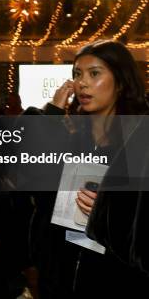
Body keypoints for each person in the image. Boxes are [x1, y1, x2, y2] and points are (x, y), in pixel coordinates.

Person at [27, 40, 149, 298]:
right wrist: (53, 114)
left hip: (116, 281)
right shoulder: (73, 138)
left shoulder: (139, 143)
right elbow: (40, 192)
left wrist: (105, 212)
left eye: (94, 73)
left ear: (121, 81)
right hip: (61, 276)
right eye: (77, 74)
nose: (82, 83)